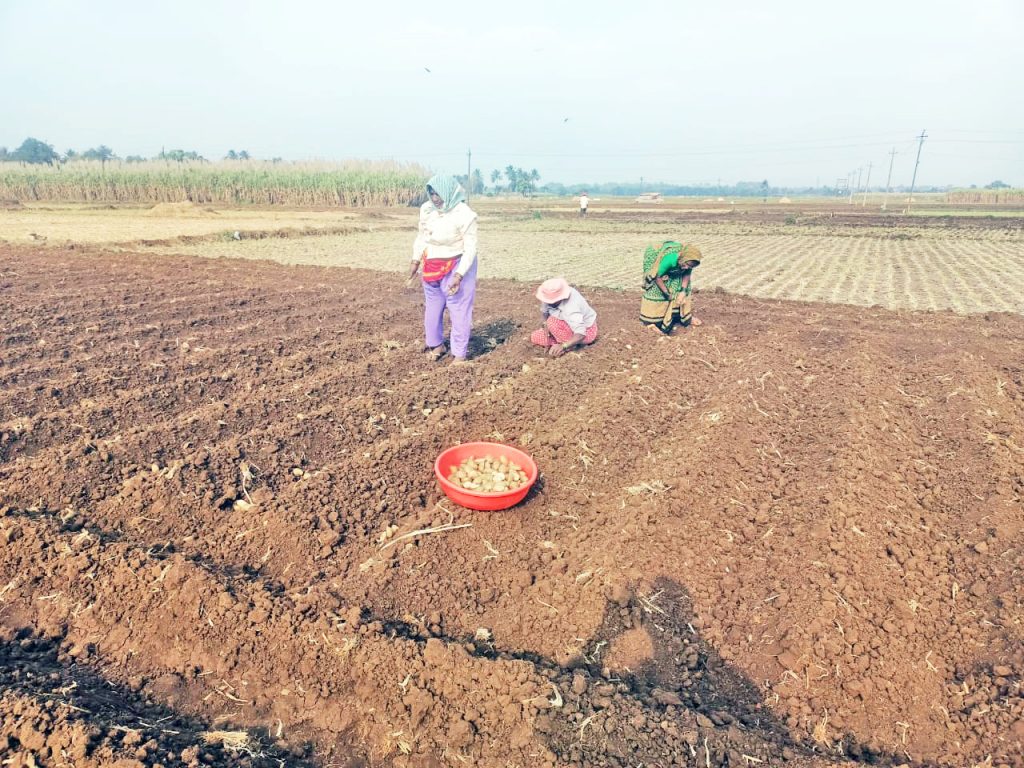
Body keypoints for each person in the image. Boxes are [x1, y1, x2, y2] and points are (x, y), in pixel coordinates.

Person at [409, 174, 478, 363]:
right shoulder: (427, 210)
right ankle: (436, 345)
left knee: (458, 309)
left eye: (438, 193)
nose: (434, 198)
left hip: (457, 263)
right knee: (433, 307)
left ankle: (459, 355)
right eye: (431, 193)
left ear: (448, 192)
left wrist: (459, 274)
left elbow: (470, 247)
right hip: (431, 265)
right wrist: (415, 260)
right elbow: (422, 236)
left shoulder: (464, 214)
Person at [640, 240, 703, 334]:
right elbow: (657, 276)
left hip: (675, 269)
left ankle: (681, 317)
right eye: (685, 265)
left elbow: (686, 275)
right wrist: (666, 293)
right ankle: (652, 322)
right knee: (656, 292)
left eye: (689, 267)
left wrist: (682, 291)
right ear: (682, 258)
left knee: (683, 290)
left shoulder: (689, 262)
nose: (686, 268)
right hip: (658, 273)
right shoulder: (670, 259)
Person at [530, 277, 599, 357]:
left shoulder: (571, 307)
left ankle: (570, 346)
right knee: (535, 336)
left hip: (585, 332)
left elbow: (581, 333)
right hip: (564, 326)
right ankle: (560, 343)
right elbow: (545, 312)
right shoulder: (547, 299)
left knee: (552, 322)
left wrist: (563, 346)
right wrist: (546, 327)